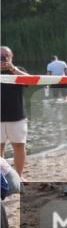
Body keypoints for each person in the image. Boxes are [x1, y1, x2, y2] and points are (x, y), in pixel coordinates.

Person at [0, 48, 28, 177]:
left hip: (17, 117)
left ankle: (19, 176)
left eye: (6, 56)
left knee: (19, 147)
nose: (3, 59)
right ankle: (2, 178)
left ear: (12, 57)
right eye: (1, 56)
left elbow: (30, 81)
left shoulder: (18, 70)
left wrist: (13, 69)